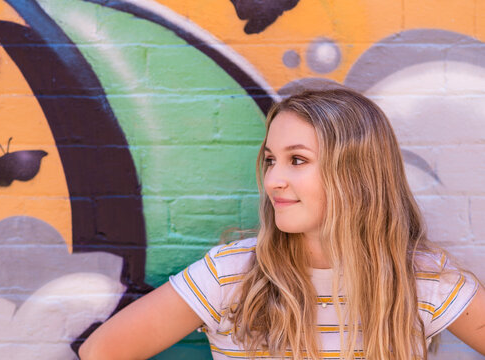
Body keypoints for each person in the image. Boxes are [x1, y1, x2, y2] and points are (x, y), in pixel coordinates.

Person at [79, 89, 485, 360]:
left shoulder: (424, 281)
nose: (273, 179)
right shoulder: (232, 274)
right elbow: (101, 351)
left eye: (298, 160)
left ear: (357, 173)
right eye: (271, 159)